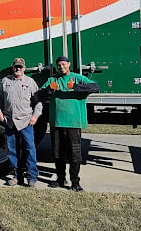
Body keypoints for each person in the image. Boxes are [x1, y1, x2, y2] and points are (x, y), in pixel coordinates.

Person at [38, 55, 99, 191]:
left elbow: (96, 87)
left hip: (74, 123)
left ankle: (75, 182)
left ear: (69, 64)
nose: (61, 67)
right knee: (57, 153)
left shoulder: (78, 78)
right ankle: (60, 179)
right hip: (57, 123)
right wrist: (50, 89)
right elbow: (37, 95)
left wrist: (75, 87)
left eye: (64, 64)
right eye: (59, 65)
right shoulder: (52, 80)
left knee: (74, 153)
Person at [0, 57, 43, 187]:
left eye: (20, 67)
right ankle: (16, 176)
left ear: (24, 68)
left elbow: (38, 101)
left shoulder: (30, 82)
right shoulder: (5, 81)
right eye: (16, 66)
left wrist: (35, 116)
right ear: (12, 67)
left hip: (26, 121)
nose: (18, 69)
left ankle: (32, 177)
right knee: (12, 150)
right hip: (10, 121)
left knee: (29, 148)